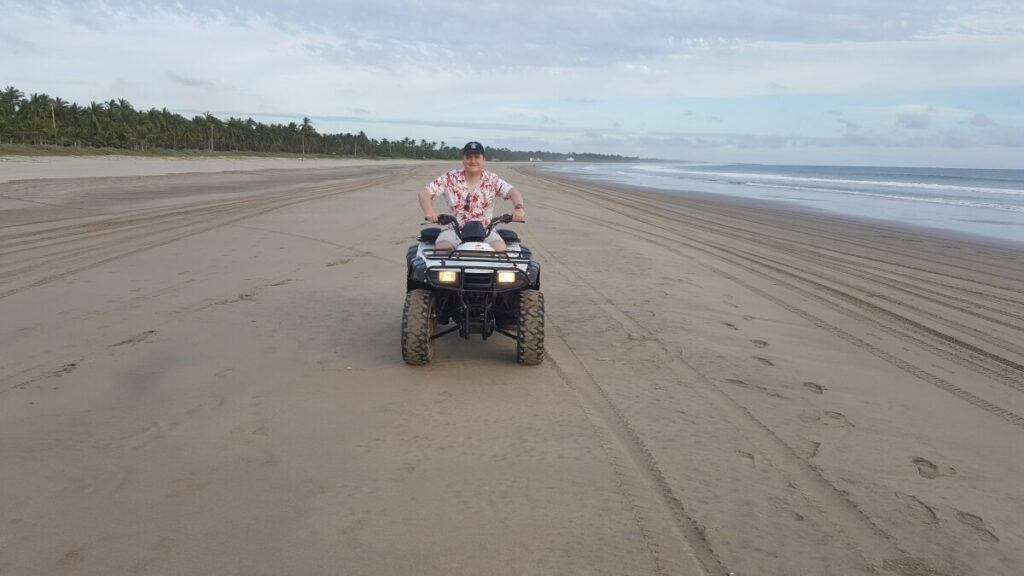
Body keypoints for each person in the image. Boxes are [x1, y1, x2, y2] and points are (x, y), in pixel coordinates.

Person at [419, 141, 526, 252]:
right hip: (453, 230)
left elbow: (514, 192)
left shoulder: (492, 179)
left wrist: (519, 208)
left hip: (486, 230)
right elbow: (424, 194)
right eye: (469, 157)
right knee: (442, 249)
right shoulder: (450, 178)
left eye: (477, 157)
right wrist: (429, 212)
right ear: (463, 159)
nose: (473, 161)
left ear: (483, 159)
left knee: (500, 250)